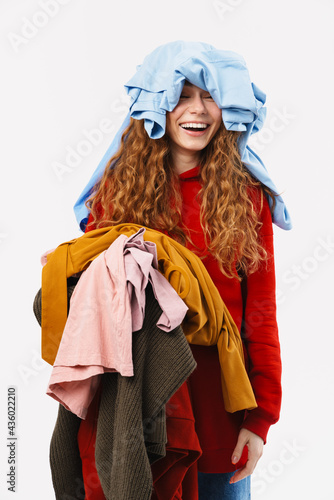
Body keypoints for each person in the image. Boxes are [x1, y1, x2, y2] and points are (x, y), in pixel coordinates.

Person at [71, 40, 291, 499]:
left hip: (220, 419)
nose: (198, 110)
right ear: (158, 104)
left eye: (209, 95)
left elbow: (261, 315)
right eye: (183, 95)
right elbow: (93, 310)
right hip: (137, 414)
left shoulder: (248, 197)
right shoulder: (116, 192)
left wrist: (261, 418)